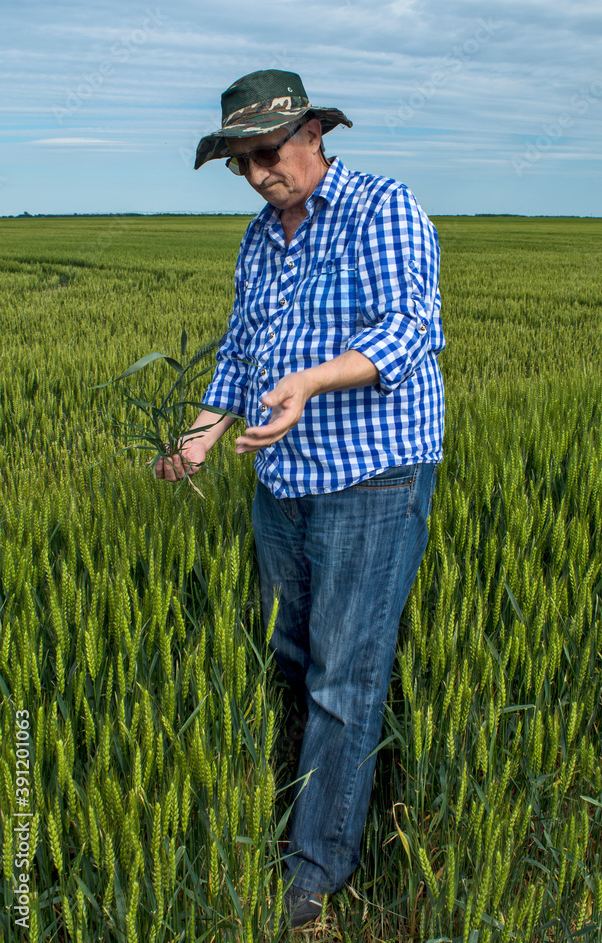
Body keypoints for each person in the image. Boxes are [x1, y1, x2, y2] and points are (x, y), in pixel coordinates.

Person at [156, 69, 446, 930]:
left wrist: (311, 384)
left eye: (267, 154)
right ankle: (294, 811)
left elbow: (407, 331)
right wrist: (204, 433)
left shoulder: (382, 209)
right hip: (280, 482)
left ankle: (312, 879)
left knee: (342, 681)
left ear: (314, 135)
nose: (256, 175)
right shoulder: (258, 239)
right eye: (240, 163)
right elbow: (243, 355)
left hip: (371, 478)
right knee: (290, 659)